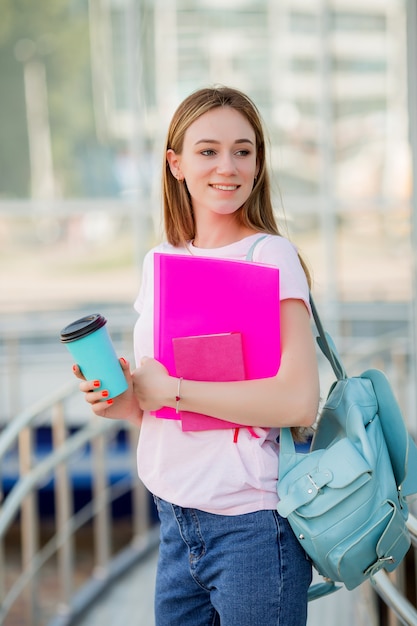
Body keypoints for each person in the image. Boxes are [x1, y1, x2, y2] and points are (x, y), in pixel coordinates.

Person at [73, 86, 320, 626]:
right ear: (175, 163)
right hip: (174, 518)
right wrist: (127, 403)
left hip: (252, 530)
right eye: (208, 150)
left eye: (243, 150)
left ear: (258, 164)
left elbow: (300, 400)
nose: (226, 167)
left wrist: (175, 390)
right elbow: (162, 409)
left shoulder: (269, 255)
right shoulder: (158, 261)